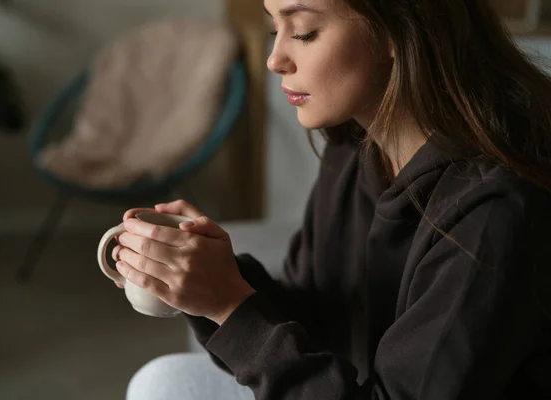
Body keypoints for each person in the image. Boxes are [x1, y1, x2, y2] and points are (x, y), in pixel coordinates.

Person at [116, 0, 551, 398]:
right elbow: (313, 320)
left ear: (399, 30)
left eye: (303, 32)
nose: (274, 60)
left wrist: (231, 308)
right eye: (274, 30)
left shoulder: (497, 208)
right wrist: (208, 282)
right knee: (162, 381)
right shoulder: (354, 146)